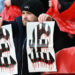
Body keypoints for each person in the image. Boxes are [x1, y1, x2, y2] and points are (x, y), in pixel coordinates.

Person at [0, 0, 46, 75]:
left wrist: (48, 20)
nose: (24, 17)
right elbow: (8, 26)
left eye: (29, 13)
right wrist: (2, 22)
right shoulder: (18, 24)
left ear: (38, 15)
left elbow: (56, 30)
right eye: (23, 13)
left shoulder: (46, 28)